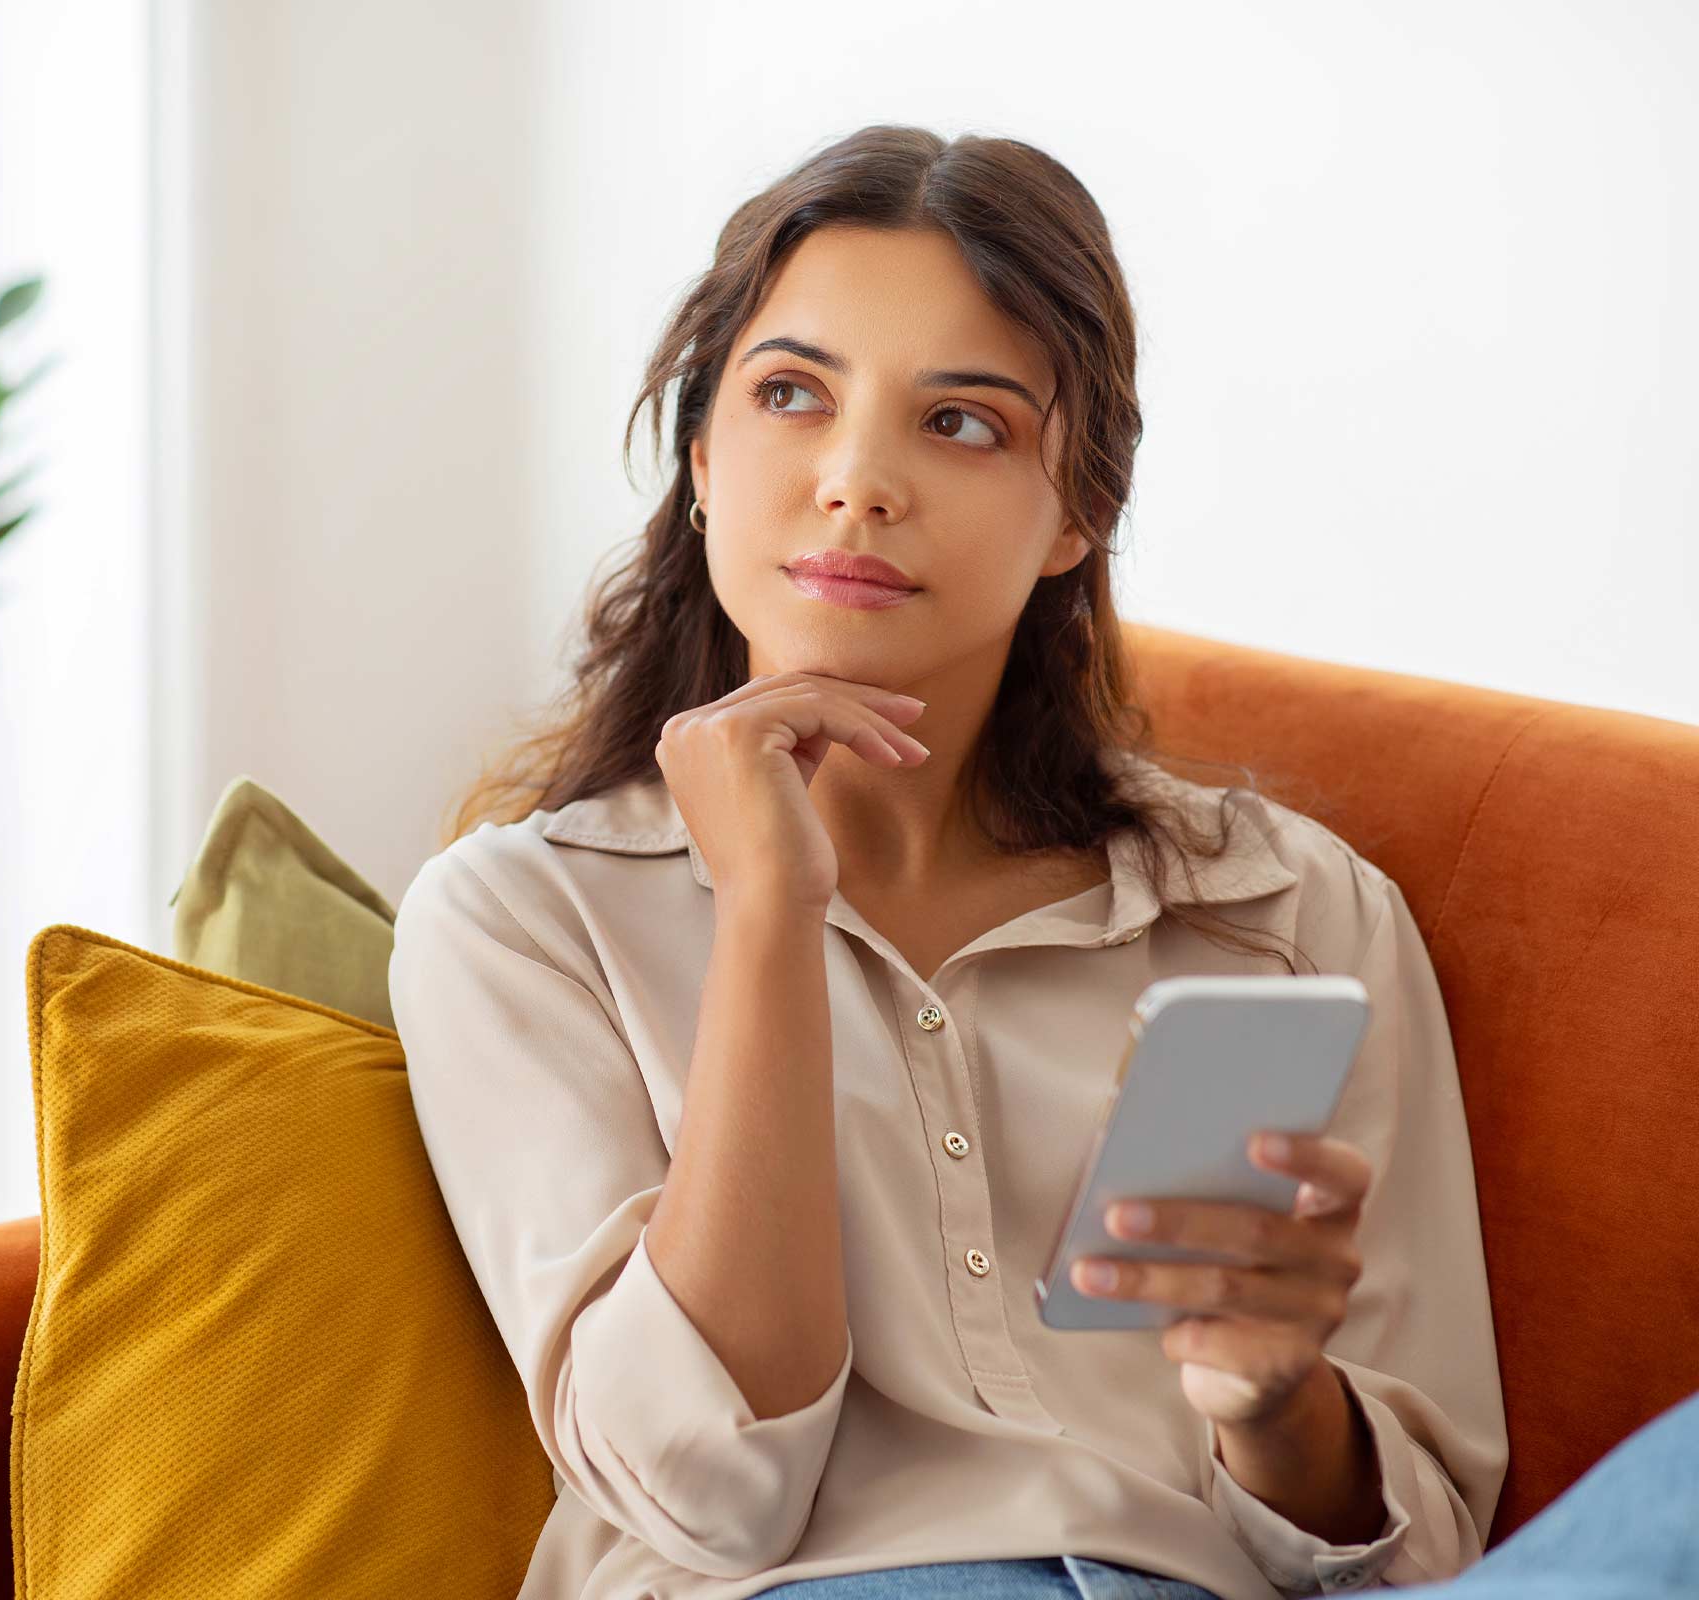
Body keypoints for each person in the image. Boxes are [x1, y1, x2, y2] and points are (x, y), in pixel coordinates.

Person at [385, 122, 1698, 1600]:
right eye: (790, 395)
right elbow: (710, 1496)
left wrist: (1276, 1402)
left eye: (961, 422)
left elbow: (1422, 1548)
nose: (857, 481)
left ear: (1079, 513)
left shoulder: (1289, 910)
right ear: (701, 459)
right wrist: (765, 913)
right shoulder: (521, 920)